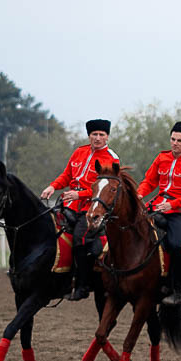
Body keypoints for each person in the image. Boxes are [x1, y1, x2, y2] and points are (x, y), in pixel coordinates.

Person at [40, 118, 119, 300]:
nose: (97, 138)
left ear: (107, 137)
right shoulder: (79, 152)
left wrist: (80, 194)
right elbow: (67, 175)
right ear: (89, 136)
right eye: (94, 134)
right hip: (68, 203)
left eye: (101, 135)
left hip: (92, 208)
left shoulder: (111, 159)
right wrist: (53, 186)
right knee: (49, 228)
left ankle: (82, 285)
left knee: (79, 238)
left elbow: (107, 189)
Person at [137, 121, 181, 306]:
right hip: (157, 205)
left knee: (176, 246)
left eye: (179, 141)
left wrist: (172, 204)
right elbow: (149, 181)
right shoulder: (162, 157)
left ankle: (178, 290)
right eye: (172, 139)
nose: (174, 143)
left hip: (179, 211)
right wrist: (140, 193)